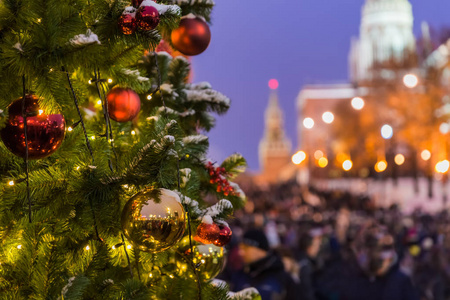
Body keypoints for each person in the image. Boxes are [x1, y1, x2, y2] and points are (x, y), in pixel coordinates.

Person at [230, 229, 297, 300]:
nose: (241, 252)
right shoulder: (238, 275)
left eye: (245, 248)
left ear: (260, 250)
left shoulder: (282, 279)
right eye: (240, 248)